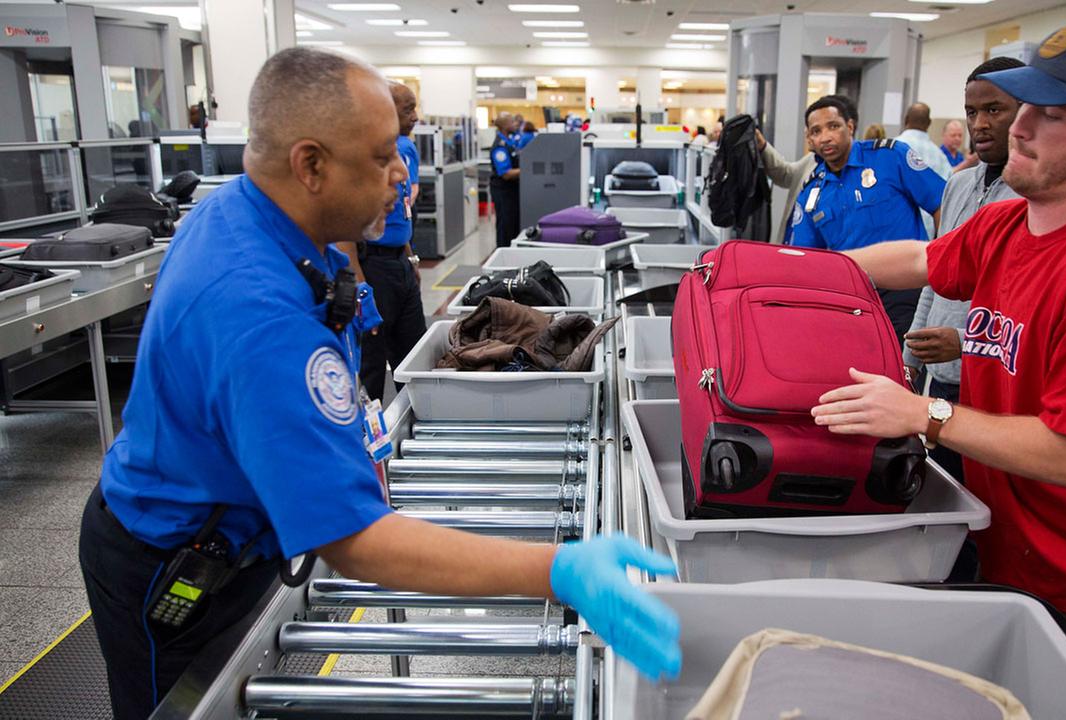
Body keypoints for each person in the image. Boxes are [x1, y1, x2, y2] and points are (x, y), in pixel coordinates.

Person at [78, 48, 681, 720]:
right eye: (381, 156)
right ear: (311, 165)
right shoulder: (254, 314)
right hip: (176, 565)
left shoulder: (264, 218)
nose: (402, 176)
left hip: (241, 527)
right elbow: (355, 540)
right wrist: (558, 571)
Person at [814, 16, 1066, 720]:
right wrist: (801, 273)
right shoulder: (1014, 220)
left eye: (1052, 114)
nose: (1019, 126)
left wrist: (925, 414)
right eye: (1026, 103)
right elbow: (924, 258)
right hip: (1009, 553)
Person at [904, 56, 1025, 485]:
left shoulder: (1032, 199)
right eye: (972, 112)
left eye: (995, 110)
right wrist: (910, 362)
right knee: (940, 491)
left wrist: (966, 342)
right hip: (941, 381)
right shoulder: (958, 185)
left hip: (993, 386)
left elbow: (1028, 308)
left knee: (984, 504)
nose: (980, 124)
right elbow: (935, 278)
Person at [788, 94, 945, 340]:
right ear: (809, 139)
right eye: (816, 131)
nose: (826, 137)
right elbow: (805, 259)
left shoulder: (890, 157)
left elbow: (941, 205)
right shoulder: (811, 193)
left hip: (905, 289)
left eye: (834, 126)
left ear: (850, 127)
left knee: (904, 370)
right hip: (852, 297)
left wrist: (943, 269)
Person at [334, 82, 427, 404]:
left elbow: (399, 216)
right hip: (370, 267)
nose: (414, 116)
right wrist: (360, 286)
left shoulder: (399, 151)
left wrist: (410, 259)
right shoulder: (359, 155)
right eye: (407, 109)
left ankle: (416, 427)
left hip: (398, 265)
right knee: (372, 361)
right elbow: (344, 228)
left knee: (416, 354)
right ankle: (370, 444)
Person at [756, 129, 816, 244]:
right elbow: (786, 175)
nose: (807, 133)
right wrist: (763, 146)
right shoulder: (813, 159)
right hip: (790, 245)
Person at [895, 103, 953, 181]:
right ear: (929, 123)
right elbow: (947, 184)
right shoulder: (939, 156)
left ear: (906, 120)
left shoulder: (891, 147)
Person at [489, 112, 522, 247]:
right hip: (503, 191)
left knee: (513, 224)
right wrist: (528, 170)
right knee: (505, 225)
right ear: (504, 125)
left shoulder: (510, 141)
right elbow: (506, 173)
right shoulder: (500, 146)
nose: (515, 124)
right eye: (511, 121)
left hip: (512, 191)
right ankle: (502, 255)